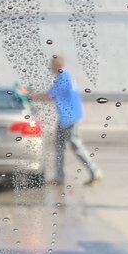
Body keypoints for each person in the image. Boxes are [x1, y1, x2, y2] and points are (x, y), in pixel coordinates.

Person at [26, 55, 102, 186]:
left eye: (52, 66)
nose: (51, 69)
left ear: (58, 66)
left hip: (70, 118)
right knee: (59, 147)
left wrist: (31, 95)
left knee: (75, 145)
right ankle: (60, 177)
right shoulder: (66, 77)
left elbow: (49, 96)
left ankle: (95, 171)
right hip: (65, 118)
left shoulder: (64, 78)